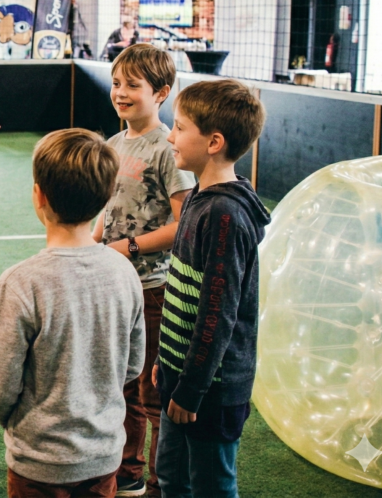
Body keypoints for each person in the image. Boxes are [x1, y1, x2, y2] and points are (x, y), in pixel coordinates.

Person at [0, 128, 145, 498]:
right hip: (104, 457)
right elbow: (132, 367)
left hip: (38, 463)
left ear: (38, 195)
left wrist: (20, 424)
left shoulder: (21, 282)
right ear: (107, 198)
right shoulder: (126, 273)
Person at [153, 79, 269, 498]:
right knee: (172, 476)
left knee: (211, 485)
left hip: (209, 392)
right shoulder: (201, 196)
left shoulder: (224, 215)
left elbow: (217, 314)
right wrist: (167, 366)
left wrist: (191, 386)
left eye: (180, 127)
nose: (171, 135)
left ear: (214, 141)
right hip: (180, 377)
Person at [92, 44, 195, 498]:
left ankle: (158, 479)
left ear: (162, 93)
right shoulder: (115, 144)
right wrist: (91, 245)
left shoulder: (168, 148)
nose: (120, 92)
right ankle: (129, 469)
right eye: (117, 83)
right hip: (117, 285)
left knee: (153, 389)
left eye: (133, 85)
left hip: (154, 288)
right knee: (123, 382)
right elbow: (107, 208)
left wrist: (128, 247)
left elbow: (182, 224)